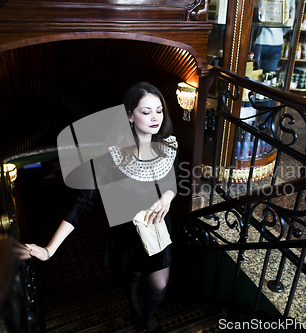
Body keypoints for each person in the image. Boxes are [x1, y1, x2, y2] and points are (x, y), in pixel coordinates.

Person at [26, 82, 179, 332]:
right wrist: (49, 249)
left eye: (159, 110)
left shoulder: (168, 147)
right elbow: (83, 205)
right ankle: (133, 306)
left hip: (158, 229)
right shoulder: (112, 160)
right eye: (146, 111)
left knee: (160, 284)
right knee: (133, 276)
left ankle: (149, 317)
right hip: (128, 235)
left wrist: (168, 196)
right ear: (130, 115)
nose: (155, 118)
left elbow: (173, 181)